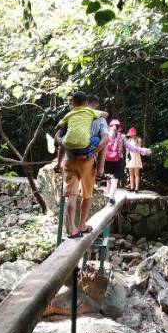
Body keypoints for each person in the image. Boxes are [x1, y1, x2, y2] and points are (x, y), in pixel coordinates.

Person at [55, 93, 109, 238]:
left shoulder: (70, 115)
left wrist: (59, 162)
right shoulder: (100, 119)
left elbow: (60, 139)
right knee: (87, 195)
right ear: (93, 105)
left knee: (71, 196)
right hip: (87, 162)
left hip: (69, 160)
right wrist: (99, 165)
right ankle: (82, 225)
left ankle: (71, 229)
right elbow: (104, 142)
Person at [55, 92, 108, 172]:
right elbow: (105, 140)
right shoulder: (96, 115)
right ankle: (100, 171)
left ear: (73, 103)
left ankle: (58, 164)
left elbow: (58, 129)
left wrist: (58, 138)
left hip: (69, 151)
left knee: (64, 137)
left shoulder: (70, 114)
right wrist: (91, 154)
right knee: (104, 141)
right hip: (86, 150)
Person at [104, 119, 151, 205]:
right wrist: (144, 151)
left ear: (109, 127)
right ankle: (111, 198)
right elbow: (132, 148)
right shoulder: (122, 137)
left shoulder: (105, 135)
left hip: (106, 161)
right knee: (114, 181)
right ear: (119, 128)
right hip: (117, 161)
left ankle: (108, 196)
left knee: (108, 179)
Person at [125, 127, 144, 193]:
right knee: (131, 173)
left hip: (136, 157)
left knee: (137, 174)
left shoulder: (138, 139)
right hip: (130, 158)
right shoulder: (129, 140)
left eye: (132, 134)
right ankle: (132, 187)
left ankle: (136, 189)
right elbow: (127, 150)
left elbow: (139, 148)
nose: (131, 135)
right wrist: (127, 159)